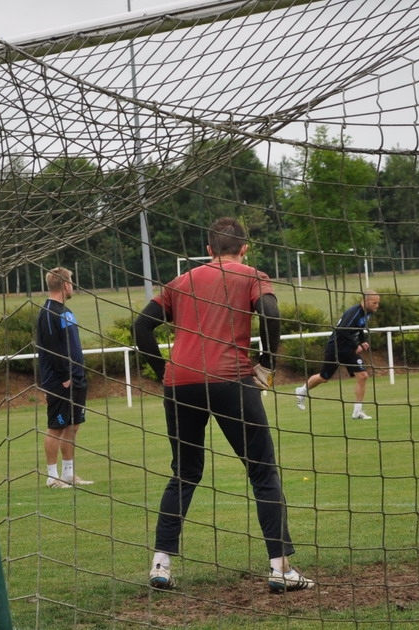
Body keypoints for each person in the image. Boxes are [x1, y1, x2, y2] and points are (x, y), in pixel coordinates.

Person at [133, 217, 314, 594]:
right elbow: (271, 313)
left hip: (181, 385)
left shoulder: (180, 281)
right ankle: (280, 568)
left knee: (184, 473)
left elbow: (141, 328)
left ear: (209, 249)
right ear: (244, 248)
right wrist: (267, 363)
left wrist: (164, 372)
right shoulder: (252, 276)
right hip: (231, 380)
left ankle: (160, 564)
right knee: (262, 472)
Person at [36, 267, 93, 489]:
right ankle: (52, 477)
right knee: (56, 427)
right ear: (66, 285)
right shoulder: (49, 312)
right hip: (61, 381)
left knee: (73, 425)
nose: (73, 287)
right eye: (72, 282)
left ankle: (68, 474)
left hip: (76, 378)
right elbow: (51, 348)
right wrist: (64, 377)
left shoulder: (66, 311)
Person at [294, 290, 381, 419]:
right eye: (374, 303)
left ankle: (357, 412)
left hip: (349, 350)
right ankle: (301, 391)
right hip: (336, 349)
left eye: (378, 303)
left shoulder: (367, 313)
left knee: (363, 376)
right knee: (324, 378)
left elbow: (359, 328)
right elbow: (341, 330)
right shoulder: (354, 313)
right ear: (366, 301)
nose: (377, 305)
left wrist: (362, 341)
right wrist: (355, 346)